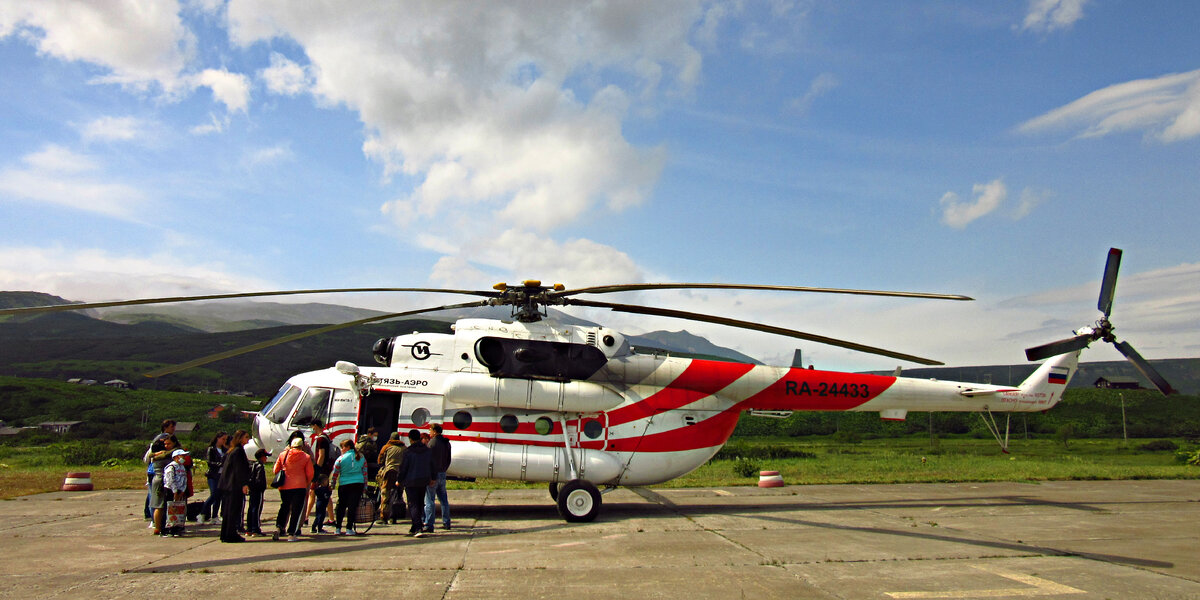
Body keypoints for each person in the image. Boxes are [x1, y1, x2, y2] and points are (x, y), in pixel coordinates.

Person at [273, 436, 314, 541]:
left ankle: (279, 527)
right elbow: (310, 473)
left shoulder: (283, 455)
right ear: (301, 446)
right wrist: (306, 482)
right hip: (299, 486)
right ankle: (292, 533)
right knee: (297, 510)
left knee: (284, 507)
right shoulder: (306, 457)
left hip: (285, 486)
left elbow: (275, 470)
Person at [396, 428, 433, 537]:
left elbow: (403, 468)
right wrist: (433, 477)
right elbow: (432, 465)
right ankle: (415, 526)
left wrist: (399, 480)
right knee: (420, 503)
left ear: (410, 439)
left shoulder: (408, 451)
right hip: (424, 480)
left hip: (411, 481)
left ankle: (418, 528)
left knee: (413, 504)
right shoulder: (427, 450)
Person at [218, 430, 251, 543]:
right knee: (233, 510)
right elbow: (239, 469)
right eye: (246, 437)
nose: (248, 439)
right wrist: (244, 484)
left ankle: (226, 534)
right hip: (234, 485)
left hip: (228, 485)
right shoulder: (238, 451)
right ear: (240, 438)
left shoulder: (232, 451)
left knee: (228, 510)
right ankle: (231, 534)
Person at [143, 431, 178, 536]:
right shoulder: (162, 457)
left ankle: (158, 526)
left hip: (156, 480)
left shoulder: (155, 458)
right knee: (160, 505)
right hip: (161, 481)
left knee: (159, 505)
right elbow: (172, 452)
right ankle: (158, 527)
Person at [332, 438, 368, 535]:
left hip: (344, 484)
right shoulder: (361, 457)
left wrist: (333, 483)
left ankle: (338, 528)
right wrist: (365, 486)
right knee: (352, 507)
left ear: (347, 447)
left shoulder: (341, 459)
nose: (341, 449)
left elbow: (335, 472)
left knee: (341, 506)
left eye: (342, 447)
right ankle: (349, 528)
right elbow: (365, 473)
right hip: (358, 483)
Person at [424, 423, 452, 532]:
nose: (429, 432)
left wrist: (430, 475)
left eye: (430, 430)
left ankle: (429, 524)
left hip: (433, 474)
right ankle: (446, 522)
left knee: (429, 500)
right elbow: (448, 459)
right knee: (444, 499)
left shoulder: (432, 443)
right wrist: (444, 469)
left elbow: (428, 460)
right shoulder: (446, 443)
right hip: (442, 473)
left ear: (434, 431)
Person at [305, 421, 333, 526]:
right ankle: (331, 518)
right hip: (326, 469)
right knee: (325, 493)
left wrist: (317, 469)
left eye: (312, 426)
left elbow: (321, 455)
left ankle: (306, 516)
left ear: (315, 426)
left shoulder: (321, 439)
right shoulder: (326, 437)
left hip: (321, 471)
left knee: (313, 492)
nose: (312, 428)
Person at [376, 432, 405, 524]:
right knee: (397, 496)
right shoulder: (405, 448)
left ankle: (384, 517)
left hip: (389, 473)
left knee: (385, 495)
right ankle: (393, 517)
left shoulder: (386, 447)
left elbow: (380, 460)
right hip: (401, 474)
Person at [162, 448, 189, 537]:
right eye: (182, 456)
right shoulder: (171, 467)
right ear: (176, 457)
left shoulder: (182, 466)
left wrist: (182, 491)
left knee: (178, 510)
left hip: (180, 491)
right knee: (169, 509)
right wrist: (175, 491)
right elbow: (170, 480)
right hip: (170, 490)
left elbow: (184, 479)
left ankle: (176, 527)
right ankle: (166, 529)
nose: (184, 458)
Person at [202, 431, 228, 523]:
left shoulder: (225, 450)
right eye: (223, 439)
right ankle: (203, 513)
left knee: (219, 496)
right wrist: (219, 464)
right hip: (213, 474)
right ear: (218, 438)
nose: (224, 441)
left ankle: (214, 516)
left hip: (222, 475)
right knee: (214, 494)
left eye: (225, 439)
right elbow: (209, 462)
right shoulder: (211, 449)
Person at [245, 448, 269, 537]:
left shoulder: (253, 465)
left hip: (252, 490)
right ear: (262, 457)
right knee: (257, 509)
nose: (266, 459)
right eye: (265, 457)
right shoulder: (260, 466)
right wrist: (261, 487)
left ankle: (249, 529)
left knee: (251, 508)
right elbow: (259, 479)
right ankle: (256, 529)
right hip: (257, 491)